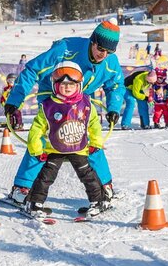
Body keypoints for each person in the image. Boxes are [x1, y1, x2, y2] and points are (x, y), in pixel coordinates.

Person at [3, 19, 125, 203]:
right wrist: (15, 99)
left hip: (80, 100)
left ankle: (105, 186)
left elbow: (116, 85)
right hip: (52, 96)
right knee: (43, 139)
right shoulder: (65, 49)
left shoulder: (110, 62)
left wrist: (114, 108)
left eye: (109, 51)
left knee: (89, 141)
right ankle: (21, 188)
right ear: (93, 41)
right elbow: (32, 70)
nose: (104, 55)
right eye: (101, 49)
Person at [24, 61, 107, 218]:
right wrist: (36, 149)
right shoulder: (48, 106)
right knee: (46, 176)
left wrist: (96, 143)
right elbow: (36, 129)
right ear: (55, 85)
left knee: (87, 175)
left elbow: (94, 124)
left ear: (79, 85)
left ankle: (98, 201)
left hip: (79, 148)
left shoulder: (86, 104)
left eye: (72, 84)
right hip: (55, 149)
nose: (67, 87)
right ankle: (35, 203)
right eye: (62, 85)